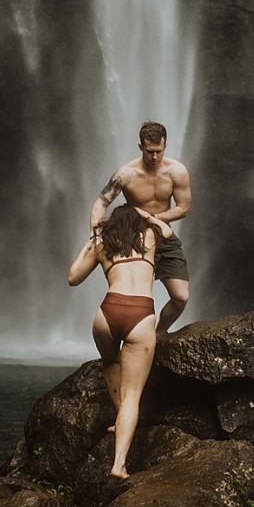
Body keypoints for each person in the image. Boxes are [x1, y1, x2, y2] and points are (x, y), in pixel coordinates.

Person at [68, 202, 172, 478]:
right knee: (133, 395)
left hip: (106, 313)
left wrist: (89, 242)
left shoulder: (102, 244)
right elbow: (168, 233)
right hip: (140, 314)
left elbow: (73, 277)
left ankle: (118, 418)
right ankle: (119, 465)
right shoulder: (148, 236)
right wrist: (147, 215)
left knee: (111, 361)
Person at [88, 120, 191, 332]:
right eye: (149, 151)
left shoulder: (177, 172)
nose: (154, 157)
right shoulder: (126, 174)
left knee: (181, 297)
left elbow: (183, 208)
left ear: (166, 145)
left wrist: (150, 218)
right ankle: (134, 337)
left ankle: (159, 333)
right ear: (140, 147)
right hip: (133, 239)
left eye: (158, 151)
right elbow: (101, 202)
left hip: (162, 235)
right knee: (137, 298)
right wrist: (95, 233)